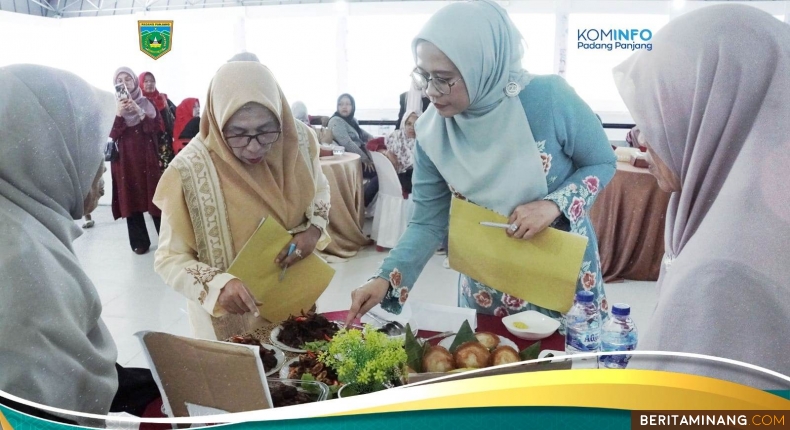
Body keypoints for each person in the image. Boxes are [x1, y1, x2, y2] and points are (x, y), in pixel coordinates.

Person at [346, 0, 616, 330]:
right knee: (491, 370)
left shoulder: (548, 99)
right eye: (425, 76)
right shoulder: (433, 132)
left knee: (568, 375)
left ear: (481, 64)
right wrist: (385, 278)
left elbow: (601, 161)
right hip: (487, 287)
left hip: (559, 277)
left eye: (444, 78)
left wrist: (554, 204)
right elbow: (427, 223)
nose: (432, 91)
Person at [613, 4, 790, 389]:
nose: (642, 142)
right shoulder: (747, 212)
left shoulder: (723, 278)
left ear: (714, 114)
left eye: (652, 120)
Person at [0, 64, 159, 426]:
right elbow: (41, 407)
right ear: (44, 149)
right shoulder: (22, 262)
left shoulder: (21, 228)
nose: (100, 167)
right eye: (84, 143)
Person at [153, 61, 332, 341]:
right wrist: (218, 286)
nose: (254, 146)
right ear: (217, 120)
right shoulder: (189, 171)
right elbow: (169, 258)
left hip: (294, 301)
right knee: (242, 381)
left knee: (300, 377)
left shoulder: (298, 142)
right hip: (230, 321)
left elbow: (319, 188)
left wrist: (313, 230)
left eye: (265, 130)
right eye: (237, 133)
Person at [111, 67, 163, 255]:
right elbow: (112, 134)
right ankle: (139, 242)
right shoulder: (112, 106)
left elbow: (157, 127)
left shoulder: (146, 102)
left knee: (155, 197)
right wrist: (118, 114)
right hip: (125, 161)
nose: (124, 83)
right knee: (130, 198)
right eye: (120, 80)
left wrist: (139, 110)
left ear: (134, 81)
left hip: (146, 158)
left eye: (128, 79)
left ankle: (166, 240)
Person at [328, 93, 379, 206]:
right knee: (381, 174)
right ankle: (361, 204)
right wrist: (365, 159)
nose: (344, 107)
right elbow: (347, 143)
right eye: (341, 104)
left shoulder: (352, 120)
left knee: (383, 170)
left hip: (360, 156)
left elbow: (362, 133)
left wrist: (377, 140)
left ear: (353, 106)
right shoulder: (336, 121)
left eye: (348, 104)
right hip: (352, 160)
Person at [140, 71, 177, 171]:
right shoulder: (139, 102)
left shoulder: (163, 98)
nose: (149, 84)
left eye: (152, 81)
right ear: (140, 83)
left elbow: (178, 113)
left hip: (165, 141)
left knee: (168, 171)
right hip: (148, 143)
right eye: (146, 81)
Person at [381, 110, 419, 195]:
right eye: (409, 124)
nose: (411, 128)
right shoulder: (396, 136)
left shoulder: (422, 140)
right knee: (378, 181)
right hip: (396, 173)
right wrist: (387, 152)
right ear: (404, 124)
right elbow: (371, 144)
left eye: (415, 124)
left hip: (416, 176)